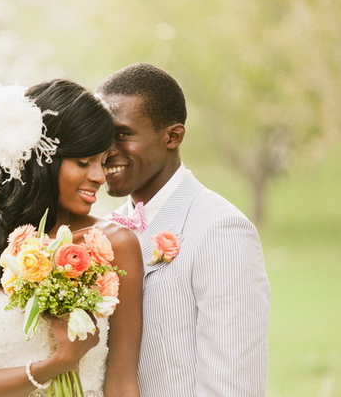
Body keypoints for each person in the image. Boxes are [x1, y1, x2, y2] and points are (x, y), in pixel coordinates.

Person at [0, 79, 143, 397]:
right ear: (41, 161)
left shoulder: (114, 244)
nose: (99, 177)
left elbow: (122, 383)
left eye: (103, 161)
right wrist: (58, 363)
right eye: (84, 162)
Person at [97, 63, 271, 396]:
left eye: (122, 134)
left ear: (172, 136)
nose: (107, 150)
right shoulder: (104, 230)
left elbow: (233, 382)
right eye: (101, 134)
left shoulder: (220, 229)